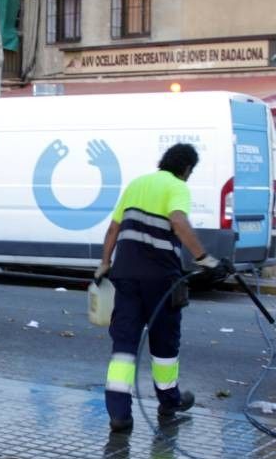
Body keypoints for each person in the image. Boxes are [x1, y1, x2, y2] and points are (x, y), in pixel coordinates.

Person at [95, 142, 227, 433]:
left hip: (126, 276)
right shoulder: (177, 187)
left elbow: (113, 229)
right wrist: (205, 259)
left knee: (124, 345)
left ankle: (119, 414)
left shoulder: (136, 184)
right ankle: (169, 402)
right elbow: (178, 221)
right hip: (161, 279)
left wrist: (104, 263)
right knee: (165, 343)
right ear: (187, 169)